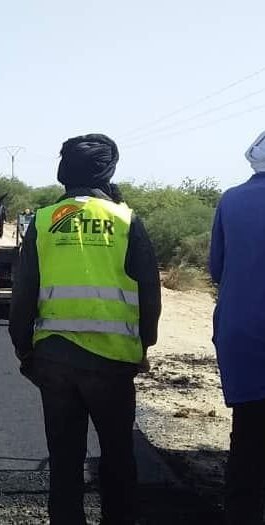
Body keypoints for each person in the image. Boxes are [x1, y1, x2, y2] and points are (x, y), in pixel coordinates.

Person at [9, 134, 161, 525]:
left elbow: (24, 293)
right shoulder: (127, 221)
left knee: (65, 461)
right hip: (112, 364)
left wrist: (25, 349)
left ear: (64, 171)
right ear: (108, 170)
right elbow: (149, 293)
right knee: (117, 457)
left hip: (55, 361)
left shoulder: (44, 221)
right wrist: (144, 346)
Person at [209, 129, 265, 525]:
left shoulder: (231, 200)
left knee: (248, 432)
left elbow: (216, 268)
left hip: (240, 331)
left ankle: (240, 512)